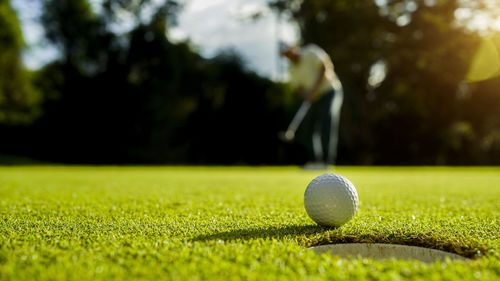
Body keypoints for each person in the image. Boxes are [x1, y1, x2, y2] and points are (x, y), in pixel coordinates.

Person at [279, 42, 343, 168]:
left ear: (294, 47)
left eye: (289, 52)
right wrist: (307, 94)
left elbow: (324, 67)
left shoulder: (310, 51)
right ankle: (316, 162)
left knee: (327, 122)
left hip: (330, 91)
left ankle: (328, 162)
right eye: (286, 55)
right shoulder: (292, 69)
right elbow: (298, 87)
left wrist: (315, 89)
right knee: (309, 129)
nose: (289, 56)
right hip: (314, 98)